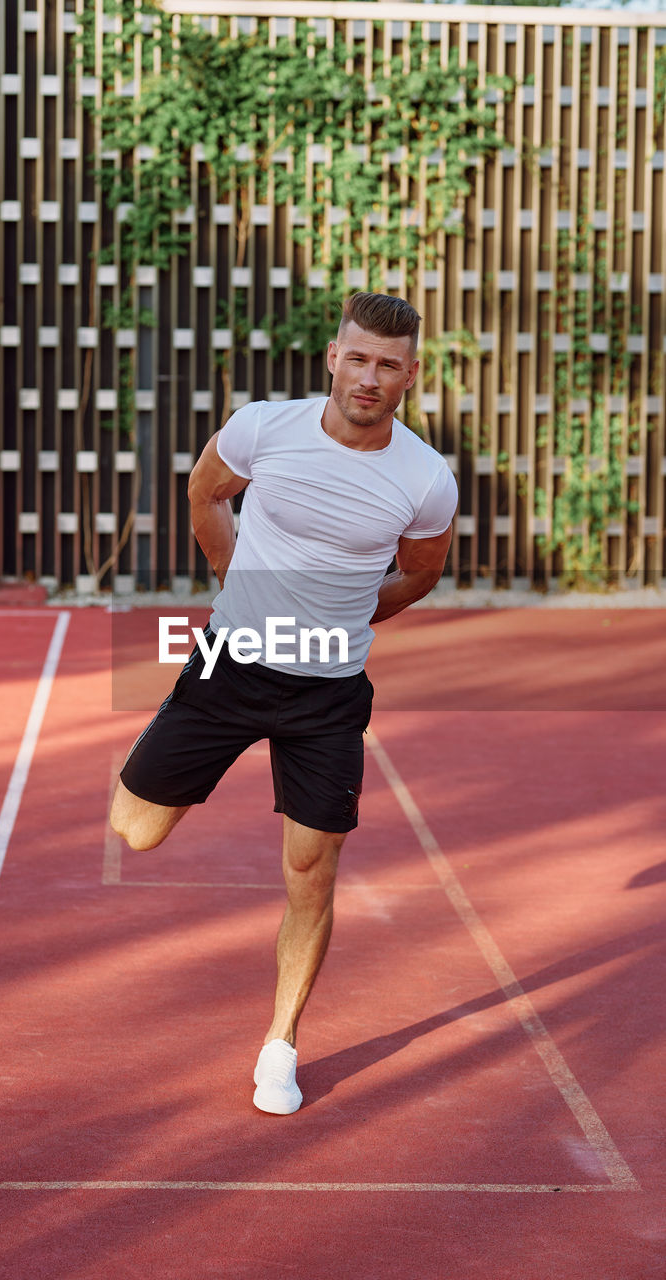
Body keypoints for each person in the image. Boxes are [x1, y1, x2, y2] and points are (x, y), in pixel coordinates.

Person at [110, 292, 458, 1115]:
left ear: (411, 374)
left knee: (311, 872)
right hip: (228, 665)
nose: (369, 377)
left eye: (388, 364)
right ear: (333, 358)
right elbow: (205, 495)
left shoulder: (423, 479)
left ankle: (280, 1044)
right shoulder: (263, 428)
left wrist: (339, 621)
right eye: (358, 358)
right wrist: (237, 579)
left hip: (328, 694)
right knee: (136, 830)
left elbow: (418, 572)